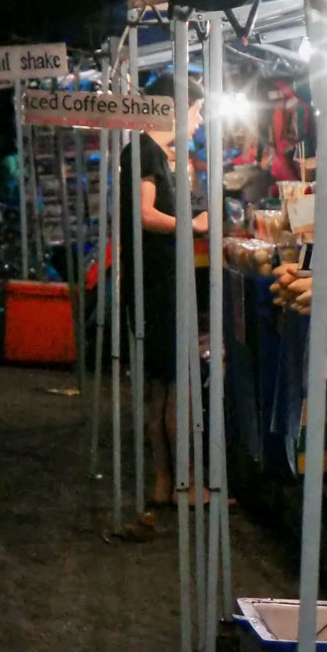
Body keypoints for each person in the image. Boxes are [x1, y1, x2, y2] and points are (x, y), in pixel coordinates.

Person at [119, 75, 208, 509]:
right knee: (175, 385)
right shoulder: (146, 152)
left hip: (153, 281)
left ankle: (163, 482)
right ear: (174, 108)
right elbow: (145, 214)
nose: (199, 121)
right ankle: (181, 485)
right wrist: (193, 225)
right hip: (160, 285)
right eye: (196, 111)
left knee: (161, 387)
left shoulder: (148, 153)